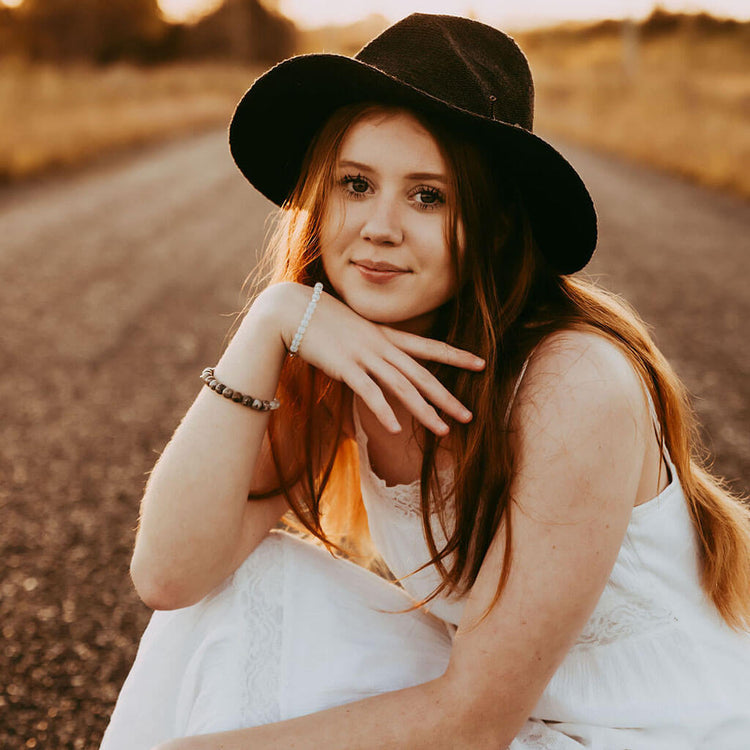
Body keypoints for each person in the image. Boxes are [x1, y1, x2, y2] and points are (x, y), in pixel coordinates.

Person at [101, 13, 750, 750]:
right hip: (517, 711)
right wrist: (271, 318)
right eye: (356, 184)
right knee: (245, 586)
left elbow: (472, 724)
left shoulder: (573, 382)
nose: (379, 227)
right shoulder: (330, 361)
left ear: (496, 226)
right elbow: (170, 577)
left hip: (646, 732)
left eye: (428, 196)